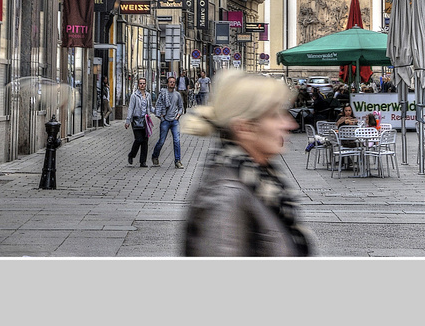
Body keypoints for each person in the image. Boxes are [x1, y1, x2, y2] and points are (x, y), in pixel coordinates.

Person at [182, 69, 315, 256]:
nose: (290, 125)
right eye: (275, 115)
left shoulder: (257, 176)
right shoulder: (225, 195)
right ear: (244, 127)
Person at [151, 75, 185, 168]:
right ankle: (155, 156)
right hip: (165, 121)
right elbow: (158, 106)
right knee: (161, 141)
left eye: (173, 82)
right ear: (167, 84)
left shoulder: (177, 94)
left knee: (176, 141)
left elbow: (181, 108)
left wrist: (177, 116)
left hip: (174, 121)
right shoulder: (163, 94)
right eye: (170, 82)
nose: (172, 83)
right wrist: (161, 117)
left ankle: (177, 161)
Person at [124, 77, 155, 167]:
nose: (142, 85)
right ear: (138, 85)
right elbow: (130, 108)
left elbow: (150, 108)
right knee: (138, 139)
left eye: (143, 83)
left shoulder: (148, 95)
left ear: (146, 85)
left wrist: (158, 112)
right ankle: (131, 155)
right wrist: (128, 121)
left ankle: (143, 161)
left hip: (145, 120)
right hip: (136, 120)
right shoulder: (134, 96)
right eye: (140, 83)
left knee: (145, 141)